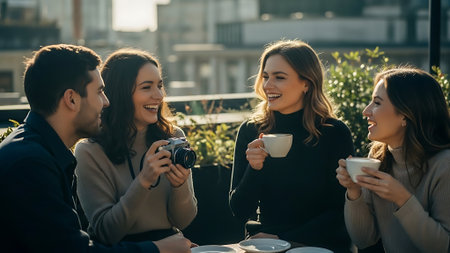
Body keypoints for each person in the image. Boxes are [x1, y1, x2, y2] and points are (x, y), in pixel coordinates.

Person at [0, 44, 192, 253]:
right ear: (71, 99)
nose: (106, 101)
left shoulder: (38, 152)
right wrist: (156, 250)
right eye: (100, 92)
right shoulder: (30, 164)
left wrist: (179, 185)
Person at [229, 40, 354, 252]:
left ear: (307, 83)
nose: (268, 85)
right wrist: (255, 169)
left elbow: (340, 210)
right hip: (265, 243)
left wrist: (284, 239)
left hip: (318, 244)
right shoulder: (252, 130)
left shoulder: (334, 132)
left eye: (279, 77)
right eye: (266, 76)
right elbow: (239, 210)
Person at [74, 48, 197, 245]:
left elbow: (184, 220)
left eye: (160, 85)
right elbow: (106, 233)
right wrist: (144, 181)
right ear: (120, 92)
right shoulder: (89, 151)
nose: (158, 95)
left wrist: (179, 186)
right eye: (146, 87)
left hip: (172, 244)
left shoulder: (173, 138)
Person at [336, 67, 450, 252]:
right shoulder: (379, 159)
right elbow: (364, 240)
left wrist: (402, 199)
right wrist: (354, 191)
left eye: (377, 103)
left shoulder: (445, 165)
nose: (366, 111)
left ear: (406, 113)